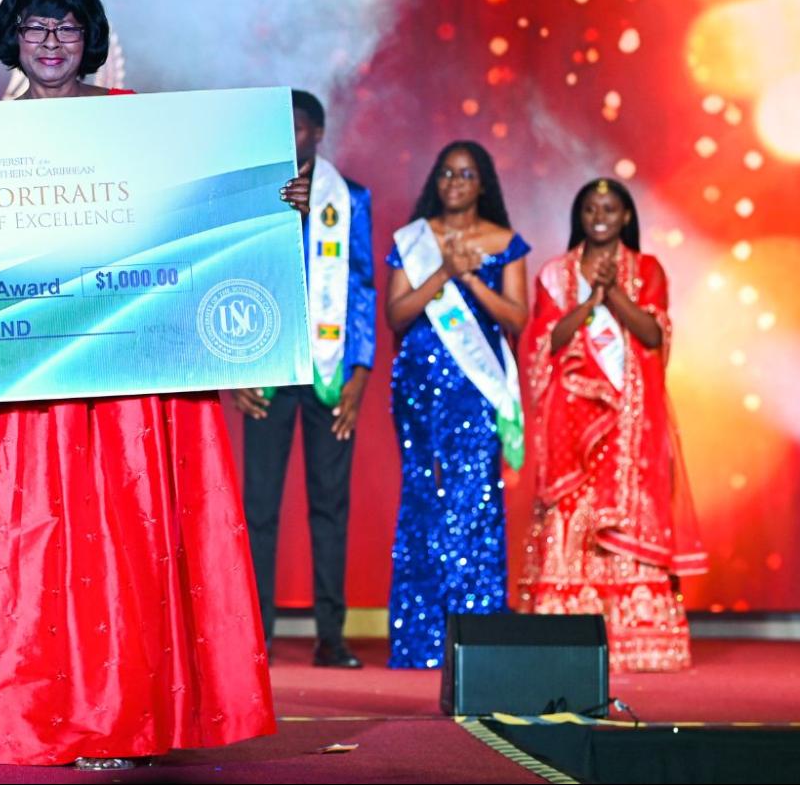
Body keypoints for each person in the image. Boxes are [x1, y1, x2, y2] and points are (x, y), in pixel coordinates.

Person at [0, 0, 274, 769]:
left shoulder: (136, 121)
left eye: (66, 28)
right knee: (24, 540)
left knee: (122, 541)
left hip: (126, 377)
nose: (50, 42)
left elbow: (197, 216)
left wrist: (269, 196)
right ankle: (13, 716)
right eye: (35, 26)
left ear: (89, 39)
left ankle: (117, 718)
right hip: (28, 374)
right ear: (11, 37)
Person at [516, 178, 704, 671]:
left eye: (610, 208)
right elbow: (547, 342)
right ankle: (567, 633)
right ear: (579, 216)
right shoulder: (555, 274)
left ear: (626, 217)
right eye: (591, 209)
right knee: (572, 515)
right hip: (571, 419)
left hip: (629, 421)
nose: (600, 217)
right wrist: (588, 302)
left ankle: (637, 636)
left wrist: (612, 293)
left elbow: (651, 335)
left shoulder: (647, 270)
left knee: (626, 513)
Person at [234, 89, 376, 668]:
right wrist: (237, 368)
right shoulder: (253, 194)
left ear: (317, 134)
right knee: (260, 508)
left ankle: (331, 636)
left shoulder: (351, 199)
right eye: (281, 127)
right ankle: (256, 637)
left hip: (328, 368)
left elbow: (362, 286)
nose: (289, 138)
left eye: (297, 128)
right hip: (269, 368)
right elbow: (237, 278)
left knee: (330, 506)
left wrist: (360, 372)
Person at [383, 141, 530, 669]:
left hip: (477, 389)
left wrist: (469, 277)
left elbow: (516, 319)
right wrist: (443, 270)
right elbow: (397, 314)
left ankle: (478, 634)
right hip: (420, 387)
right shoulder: (414, 240)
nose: (454, 182)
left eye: (466, 174)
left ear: (482, 183)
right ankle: (421, 638)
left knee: (475, 501)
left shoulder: (505, 242)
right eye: (446, 173)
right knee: (425, 497)